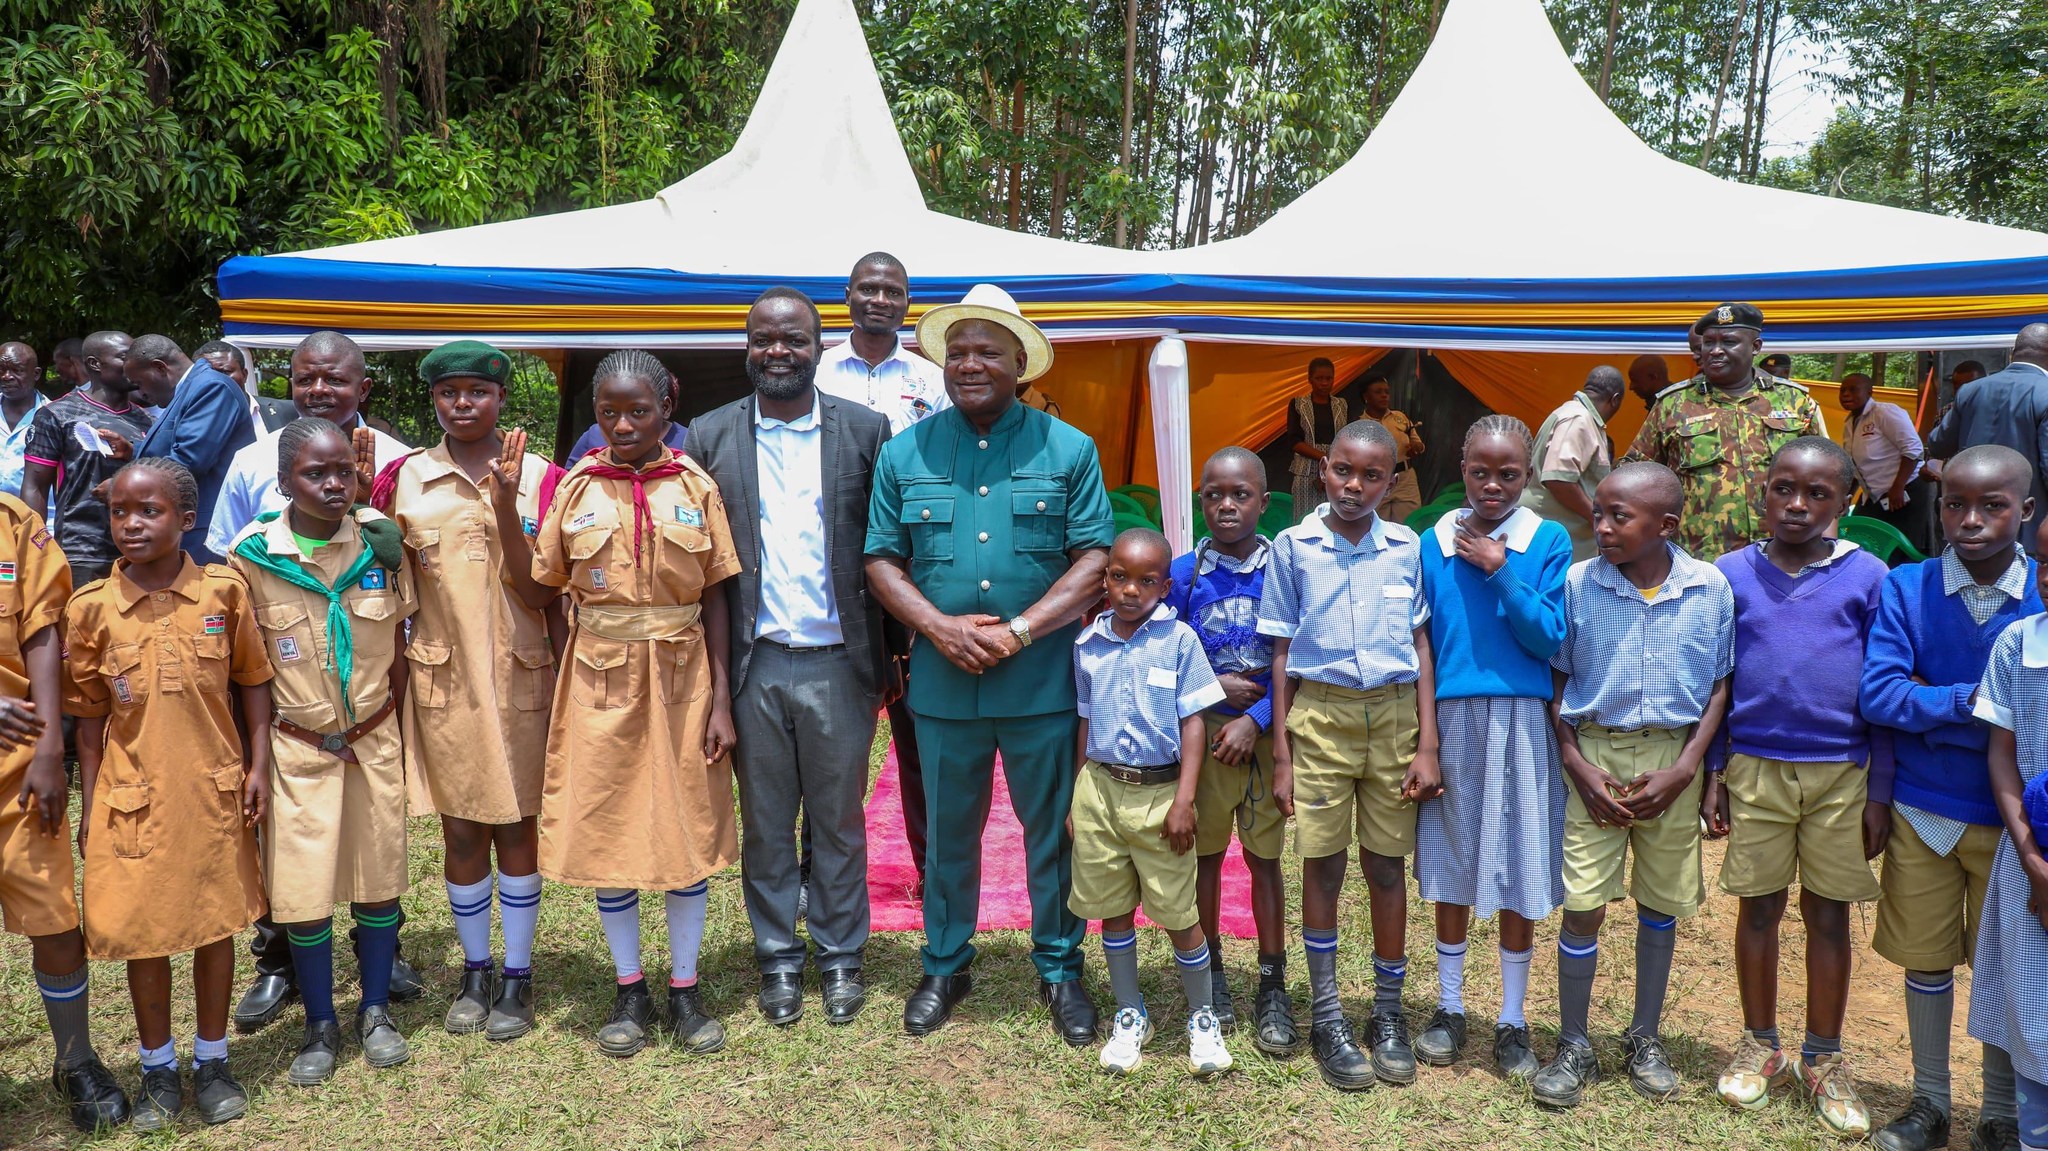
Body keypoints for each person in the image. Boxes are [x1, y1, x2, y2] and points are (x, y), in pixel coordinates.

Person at [864, 282, 1114, 1044]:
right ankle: (945, 962)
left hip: (1039, 679)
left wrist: (1021, 628)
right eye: (958, 351)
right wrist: (937, 626)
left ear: (1019, 362)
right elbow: (880, 558)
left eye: (987, 351)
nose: (970, 363)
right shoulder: (904, 449)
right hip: (942, 682)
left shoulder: (1068, 448)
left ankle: (1060, 968)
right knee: (947, 832)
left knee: (1052, 830)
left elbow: (1094, 557)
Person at [517, 349, 739, 1059]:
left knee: (685, 828)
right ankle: (628, 986)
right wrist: (573, 662)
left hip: (683, 678)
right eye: (607, 411)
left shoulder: (695, 485)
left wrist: (722, 698)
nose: (621, 424)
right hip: (598, 680)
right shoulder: (577, 487)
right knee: (609, 829)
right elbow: (546, 586)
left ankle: (684, 986)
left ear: (666, 410)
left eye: (637, 410)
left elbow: (716, 592)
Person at [688, 289, 894, 1027]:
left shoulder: (866, 431)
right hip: (753, 663)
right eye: (764, 339)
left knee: (838, 819)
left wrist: (890, 660)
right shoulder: (708, 437)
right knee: (768, 820)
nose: (778, 351)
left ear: (819, 345)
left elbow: (887, 548)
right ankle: (777, 955)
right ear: (746, 345)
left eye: (794, 340)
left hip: (842, 660)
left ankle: (840, 954)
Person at [208, 330, 419, 1029]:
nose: (333, 485)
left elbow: (406, 643)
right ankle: (315, 1013)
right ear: (283, 480)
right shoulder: (252, 553)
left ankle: (377, 1001)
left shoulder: (381, 542)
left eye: (342, 475)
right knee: (299, 884)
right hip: (295, 742)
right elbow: (244, 661)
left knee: (380, 870)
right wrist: (251, 752)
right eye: (313, 476)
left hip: (372, 736)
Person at [65, 458, 273, 1129]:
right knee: (144, 933)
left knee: (215, 926)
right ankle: (158, 1065)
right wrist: (91, 803)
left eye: (148, 511)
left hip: (212, 790)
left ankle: (212, 1060)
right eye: (120, 512)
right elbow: (90, 722)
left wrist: (259, 764)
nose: (131, 524)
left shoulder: (223, 592)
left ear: (186, 519)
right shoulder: (91, 609)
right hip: (132, 798)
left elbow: (253, 681)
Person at [370, 341, 562, 1042]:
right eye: (448, 392)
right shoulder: (406, 478)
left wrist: (509, 502)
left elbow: (551, 585)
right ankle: (474, 968)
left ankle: (518, 970)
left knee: (516, 820)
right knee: (459, 825)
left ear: (501, 399)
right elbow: (383, 580)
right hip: (443, 675)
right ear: (434, 401)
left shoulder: (543, 477)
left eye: (476, 392)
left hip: (521, 670)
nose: (462, 403)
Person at [1702, 437, 1888, 1137]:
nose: (1798, 505)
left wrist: (1880, 790)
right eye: (1784, 489)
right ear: (1762, 492)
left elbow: (1882, 682)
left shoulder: (1871, 576)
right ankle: (1760, 1042)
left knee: (1830, 913)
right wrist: (1715, 772)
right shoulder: (1729, 574)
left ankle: (1824, 1056)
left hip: (1845, 770)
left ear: (1847, 501)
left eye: (1818, 493)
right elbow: (1718, 684)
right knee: (1758, 906)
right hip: (1753, 767)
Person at [1533, 461, 1734, 1109]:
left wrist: (1689, 768)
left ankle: (1644, 1036)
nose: (1603, 525)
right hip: (1596, 755)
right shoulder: (1577, 585)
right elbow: (1557, 682)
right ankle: (1573, 1042)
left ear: (1666, 525)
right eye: (1599, 513)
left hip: (1673, 761)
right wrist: (1577, 762)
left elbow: (1720, 684)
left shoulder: (1710, 588)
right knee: (1583, 902)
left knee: (1660, 902)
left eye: (1620, 516)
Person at [1860, 444, 2040, 1151]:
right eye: (1954, 504)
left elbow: (1907, 697)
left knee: (2004, 964)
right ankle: (1931, 1100)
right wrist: (1978, 701)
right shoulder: (1907, 589)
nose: (1970, 520)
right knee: (1926, 957)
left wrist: (1928, 705)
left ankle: (1998, 1110)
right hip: (1924, 809)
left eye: (1992, 506)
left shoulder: (2041, 596)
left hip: (2018, 820)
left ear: (2025, 511)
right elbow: (1878, 692)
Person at [1259, 418, 1440, 1092]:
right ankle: (1328, 1015)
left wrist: (1427, 740)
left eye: (1371, 475)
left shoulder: (1405, 546)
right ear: (1322, 468)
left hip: (1394, 718)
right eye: (1342, 470)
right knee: (1324, 863)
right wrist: (1281, 753)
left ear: (1392, 481)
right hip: (1322, 717)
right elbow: (1280, 650)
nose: (1354, 485)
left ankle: (1387, 1013)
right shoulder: (1294, 545)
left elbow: (1421, 645)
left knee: (1387, 866)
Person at [1415, 415, 1571, 1080]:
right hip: (1452, 715)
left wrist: (1503, 568)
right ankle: (1450, 1008)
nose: (1493, 485)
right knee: (1453, 856)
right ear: (1462, 464)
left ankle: (1511, 1017)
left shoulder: (1547, 538)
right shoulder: (1434, 540)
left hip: (1521, 715)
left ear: (1529, 473)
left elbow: (1548, 636)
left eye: (1509, 473)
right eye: (1481, 471)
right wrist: (1425, 739)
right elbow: (1424, 640)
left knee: (1516, 863)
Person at [1071, 528, 1231, 1077]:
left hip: (1161, 793)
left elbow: (1194, 723)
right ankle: (1130, 1012)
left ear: (1165, 586)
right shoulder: (1086, 643)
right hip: (1099, 790)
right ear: (1105, 579)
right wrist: (1077, 796)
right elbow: (1085, 721)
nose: (1130, 591)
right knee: (1112, 908)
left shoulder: (1180, 640)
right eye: (1119, 578)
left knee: (1178, 911)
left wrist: (1185, 800)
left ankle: (1202, 1016)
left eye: (1145, 581)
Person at [815, 251, 946, 902]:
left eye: (892, 290)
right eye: (868, 287)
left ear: (907, 302)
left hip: (913, 571)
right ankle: (821, 875)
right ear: (847, 296)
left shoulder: (931, 379)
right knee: (830, 736)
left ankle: (932, 870)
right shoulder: (814, 370)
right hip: (830, 571)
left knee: (920, 733)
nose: (879, 298)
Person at [0, 485, 129, 1130]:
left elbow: (40, 632)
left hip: (19, 765)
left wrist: (50, 749)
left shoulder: (13, 523)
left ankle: (76, 1058)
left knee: (52, 915)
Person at [1164, 446, 1297, 1055]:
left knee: (1265, 860)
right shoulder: (1185, 574)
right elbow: (1165, 655)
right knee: (1208, 858)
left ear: (1263, 503)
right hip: (1212, 741)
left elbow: (1299, 661)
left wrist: (1259, 717)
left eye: (1240, 495)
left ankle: (1272, 982)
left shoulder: (1286, 570)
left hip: (1270, 740)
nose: (1225, 505)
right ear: (1200, 500)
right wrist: (1218, 693)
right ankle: (1212, 970)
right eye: (1213, 494)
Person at [1625, 304, 1826, 560]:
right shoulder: (1672, 405)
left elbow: (1826, 477)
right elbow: (1632, 478)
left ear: (1755, 347)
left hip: (1782, 559)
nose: (1716, 350)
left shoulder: (1794, 402)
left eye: (1729, 342)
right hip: (1701, 563)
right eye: (1708, 342)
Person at [1968, 520, 2048, 1151]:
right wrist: (2030, 855)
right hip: (2032, 868)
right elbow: (2002, 754)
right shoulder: (2017, 645)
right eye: (2045, 564)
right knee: (2034, 1015)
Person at [21, 330, 152, 585]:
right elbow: (35, 485)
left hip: (139, 548)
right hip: (81, 550)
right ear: (94, 364)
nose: (134, 365)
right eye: (125, 357)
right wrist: (33, 545)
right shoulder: (58, 414)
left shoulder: (149, 421)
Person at [123, 335, 258, 562]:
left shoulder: (211, 387)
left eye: (139, 383)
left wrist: (123, 489)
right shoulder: (193, 388)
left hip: (208, 534)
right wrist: (132, 451)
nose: (141, 393)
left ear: (160, 367)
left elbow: (189, 460)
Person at [1926, 324, 2048, 541]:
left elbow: (1938, 445)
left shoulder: (1970, 391)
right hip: (2026, 528)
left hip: (1969, 524)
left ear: (2013, 353)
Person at [1523, 366, 1625, 560]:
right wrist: (1597, 518)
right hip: (1554, 540)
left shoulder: (1579, 417)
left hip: (1562, 538)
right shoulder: (1578, 419)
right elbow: (1558, 479)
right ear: (1615, 399)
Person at [1839, 371, 1928, 545]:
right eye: (1842, 391)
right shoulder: (1849, 423)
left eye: (1853, 390)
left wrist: (1898, 487)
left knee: (1900, 548)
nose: (1846, 394)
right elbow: (1854, 466)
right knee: (1859, 538)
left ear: (1869, 392)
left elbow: (1913, 449)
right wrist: (1845, 496)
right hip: (1875, 496)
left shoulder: (1885, 412)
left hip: (1904, 491)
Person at [563, 358, 687, 461]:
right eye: (609, 412)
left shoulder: (688, 441)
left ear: (665, 407)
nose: (622, 427)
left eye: (638, 411)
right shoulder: (594, 435)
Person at [0, 341, 55, 521]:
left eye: (17, 370)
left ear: (36, 373)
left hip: (38, 525)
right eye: (1, 369)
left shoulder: (56, 417)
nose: (6, 376)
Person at [1286, 357, 1348, 513]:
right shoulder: (1298, 403)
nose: (1324, 383)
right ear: (1310, 379)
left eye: (1329, 378)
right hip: (1306, 472)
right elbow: (1294, 441)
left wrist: (1331, 463)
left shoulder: (1341, 404)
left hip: (1336, 472)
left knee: (1333, 516)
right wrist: (1324, 457)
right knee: (1304, 517)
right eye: (1319, 378)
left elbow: (1345, 438)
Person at [1362, 377, 1426, 526]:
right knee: (1375, 526)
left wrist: (1417, 447)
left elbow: (1418, 443)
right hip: (1376, 480)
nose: (1384, 395)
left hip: (1405, 479)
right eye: (1378, 392)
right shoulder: (1360, 423)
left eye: (1386, 392)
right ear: (1366, 397)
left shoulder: (1400, 418)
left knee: (1410, 525)